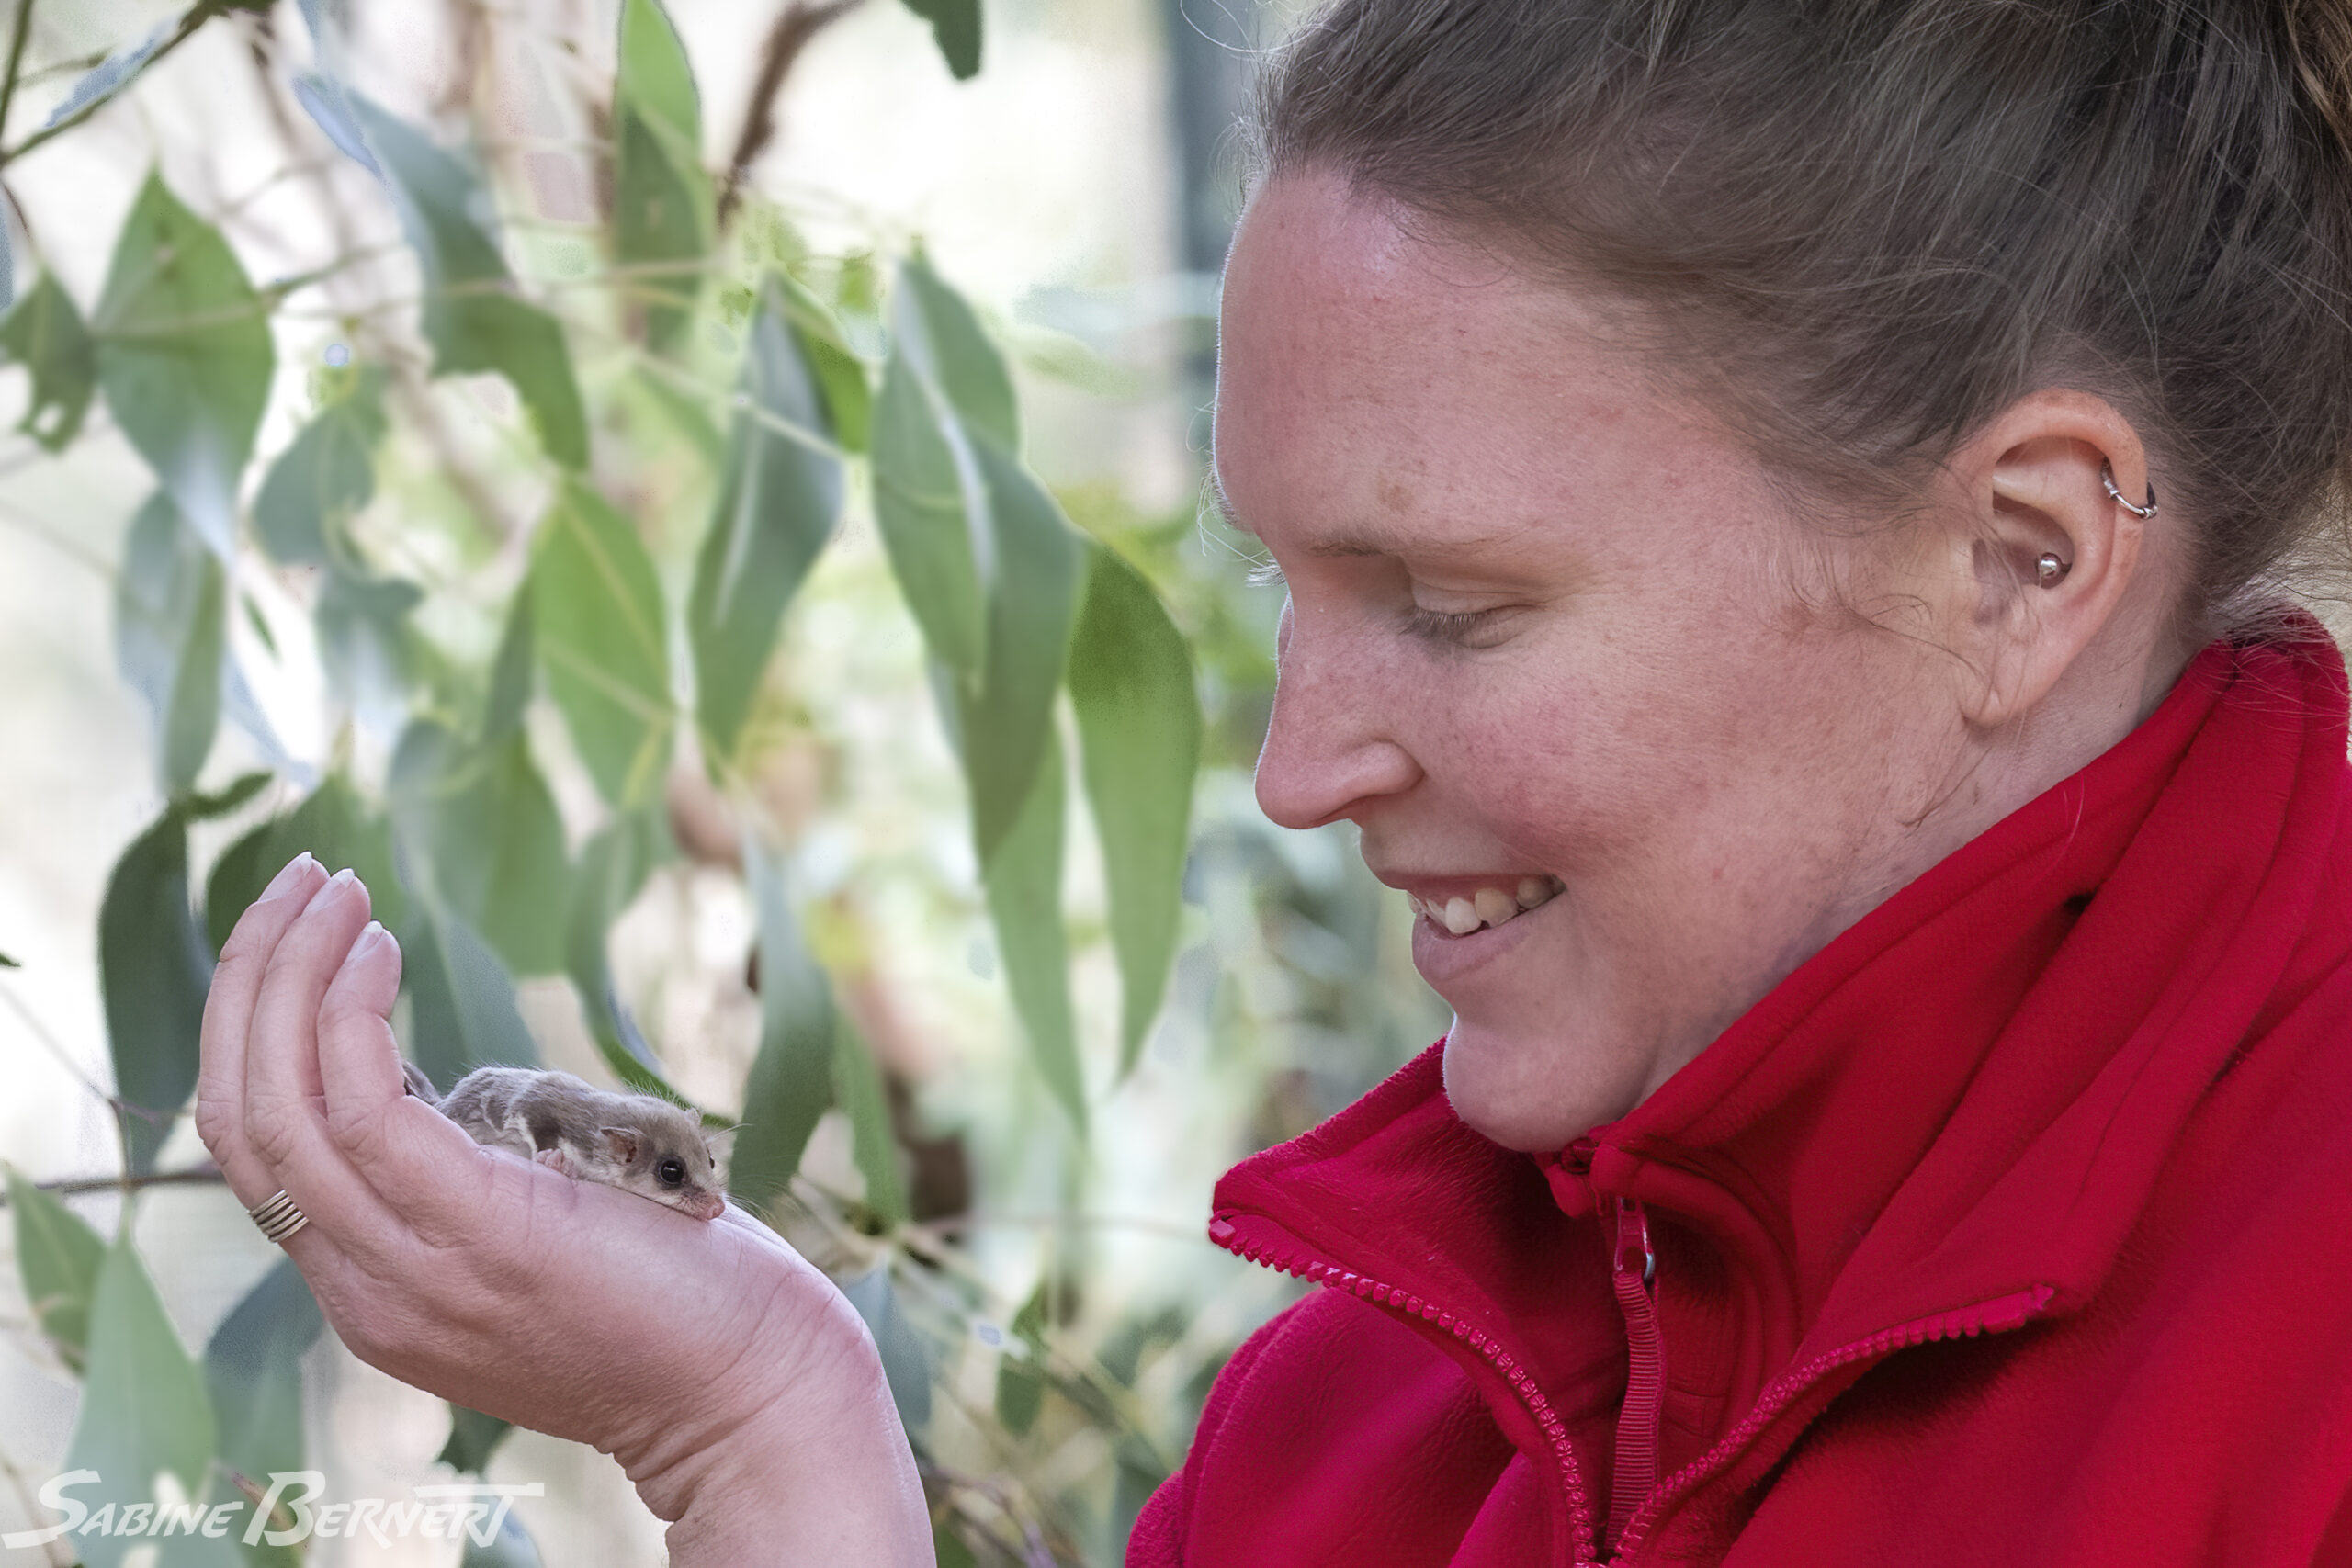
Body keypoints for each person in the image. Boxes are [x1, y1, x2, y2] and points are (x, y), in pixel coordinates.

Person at [196, 0, 2352, 1562]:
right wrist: (759, 1430)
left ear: (2018, 558)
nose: (1295, 766)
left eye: (1449, 601)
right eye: (1282, 582)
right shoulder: (1374, 1400)